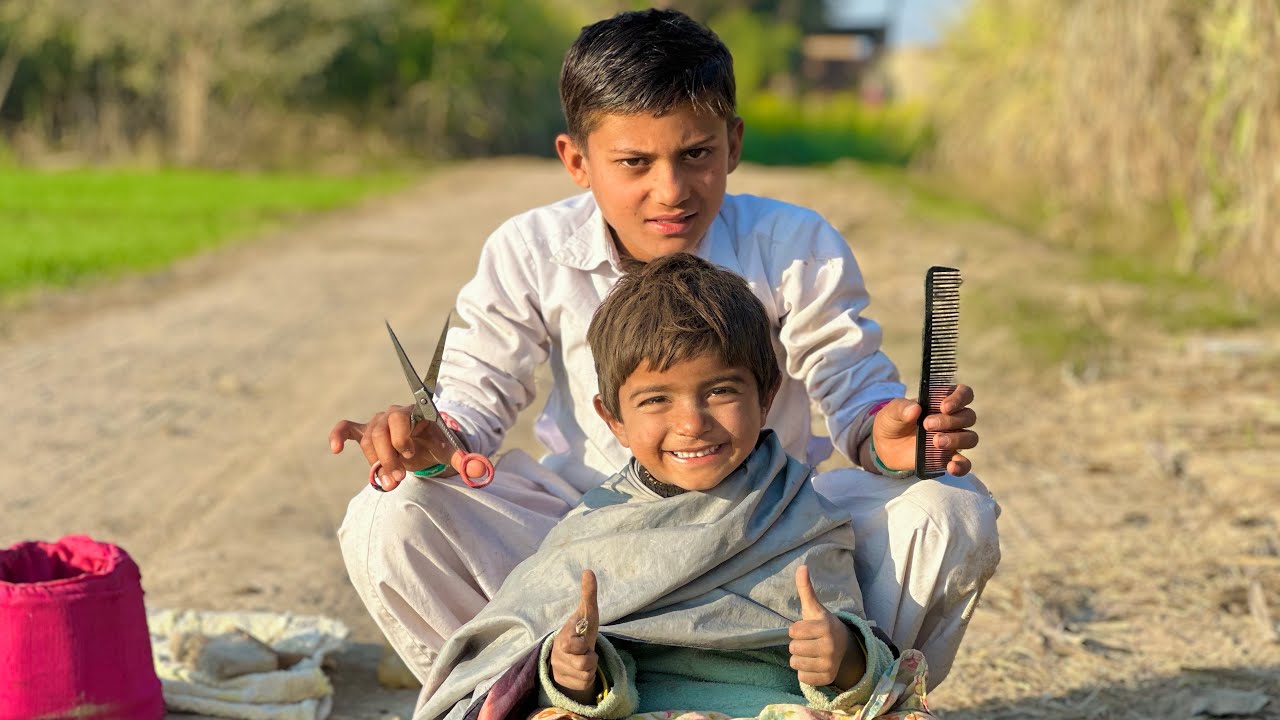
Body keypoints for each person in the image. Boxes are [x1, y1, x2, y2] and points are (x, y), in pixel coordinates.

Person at [330, 7, 999, 693]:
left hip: (770, 534)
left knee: (946, 508)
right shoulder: (528, 250)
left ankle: (851, 695)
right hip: (585, 533)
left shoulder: (793, 244)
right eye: (633, 163)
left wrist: (885, 435)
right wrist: (436, 441)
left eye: (696, 154)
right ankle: (513, 696)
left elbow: (851, 384)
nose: (672, 190)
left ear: (733, 143)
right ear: (576, 161)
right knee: (391, 516)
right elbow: (474, 397)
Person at [415, 254, 932, 720]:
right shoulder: (590, 532)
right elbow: (533, 670)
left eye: (721, 391)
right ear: (612, 417)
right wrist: (572, 673)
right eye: (656, 400)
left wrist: (842, 655)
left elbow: (861, 675)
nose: (691, 423)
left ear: (767, 393)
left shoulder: (800, 513)